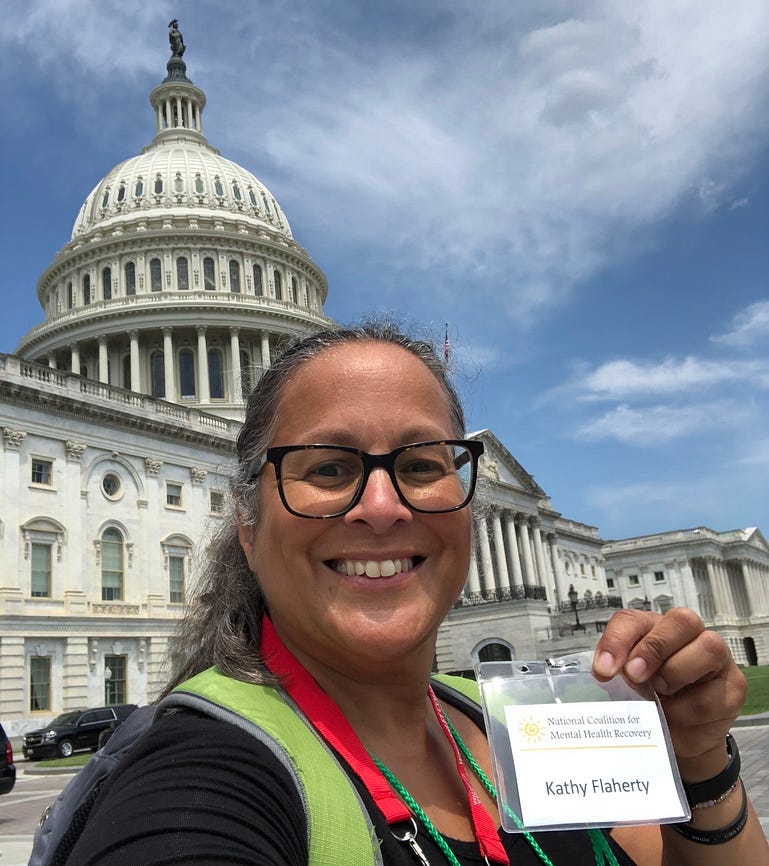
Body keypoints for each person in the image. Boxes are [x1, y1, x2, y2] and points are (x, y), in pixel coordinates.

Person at [64, 321, 769, 864]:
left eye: (422, 463)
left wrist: (699, 766)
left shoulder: (514, 720)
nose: (382, 505)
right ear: (245, 522)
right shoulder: (202, 782)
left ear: (466, 499)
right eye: (329, 468)